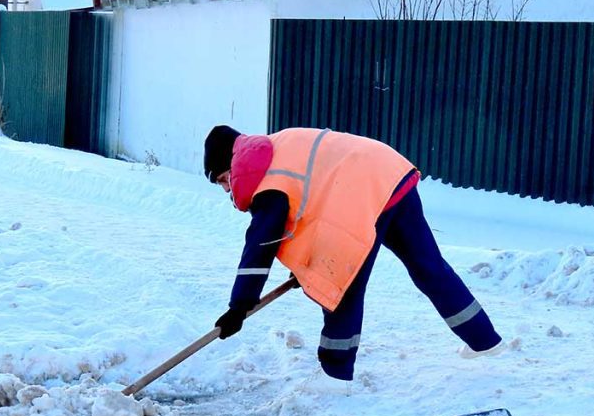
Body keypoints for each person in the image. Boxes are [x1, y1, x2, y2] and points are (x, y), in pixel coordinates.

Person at [203, 125, 503, 382]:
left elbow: (261, 242)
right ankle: (484, 340)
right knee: (429, 267)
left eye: (222, 178)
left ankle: (335, 376)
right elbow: (311, 210)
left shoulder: (262, 177)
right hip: (391, 173)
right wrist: (303, 267)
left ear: (232, 161)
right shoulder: (279, 145)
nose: (227, 188)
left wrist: (239, 305)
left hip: (360, 194)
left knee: (339, 282)